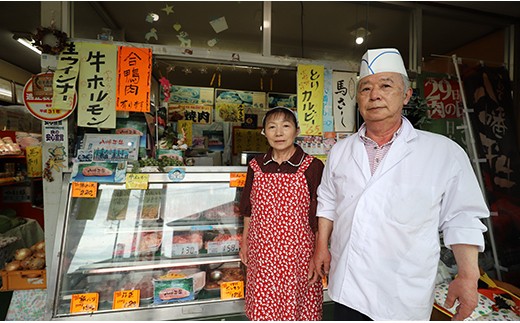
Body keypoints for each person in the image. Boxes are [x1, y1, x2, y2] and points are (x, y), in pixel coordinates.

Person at [309, 48, 490, 321]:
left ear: (406, 95)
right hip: (349, 285)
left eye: (386, 85)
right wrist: (321, 246)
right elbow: (328, 200)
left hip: (403, 292)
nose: (374, 95)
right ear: (358, 98)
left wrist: (468, 275)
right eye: (365, 88)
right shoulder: (340, 151)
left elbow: (462, 217)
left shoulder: (443, 152)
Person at [239, 106, 324, 320]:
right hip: (262, 251)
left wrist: (318, 252)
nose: (279, 133)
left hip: (299, 254)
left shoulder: (312, 166)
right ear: (264, 132)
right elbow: (248, 208)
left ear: (296, 131)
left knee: (298, 308)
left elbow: (319, 214)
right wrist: (245, 241)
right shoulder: (256, 165)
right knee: (263, 306)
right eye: (272, 127)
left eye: (285, 126)